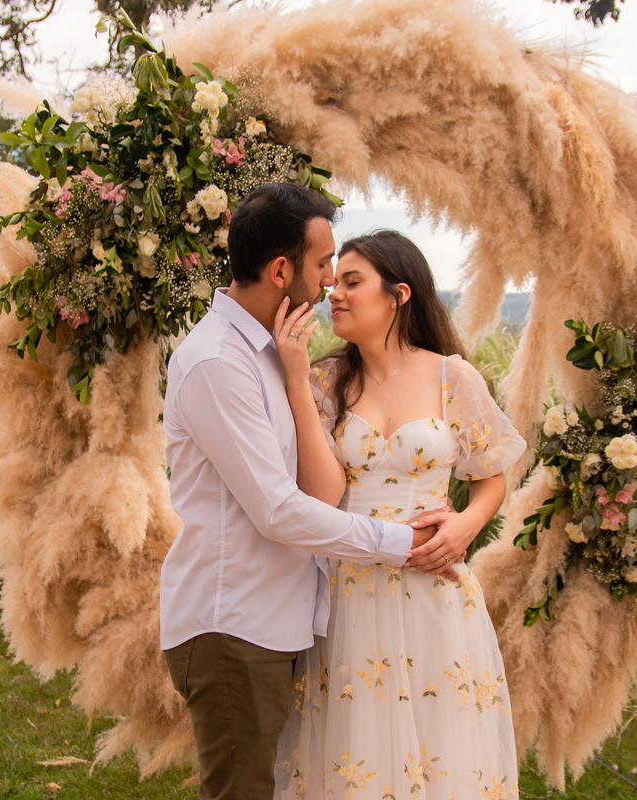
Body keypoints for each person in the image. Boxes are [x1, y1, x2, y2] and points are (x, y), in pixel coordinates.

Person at [160, 184, 455, 800]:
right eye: (323, 266)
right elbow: (277, 510)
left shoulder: (274, 354)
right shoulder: (219, 363)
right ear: (280, 270)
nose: (328, 283)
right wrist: (402, 541)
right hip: (234, 627)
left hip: (279, 624)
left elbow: (317, 490)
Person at [272, 230, 527, 799]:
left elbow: (491, 474)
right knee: (352, 747)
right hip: (350, 588)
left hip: (434, 588)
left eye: (352, 282)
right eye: (334, 282)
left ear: (398, 294)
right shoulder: (323, 381)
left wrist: (466, 524)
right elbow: (321, 490)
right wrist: (294, 380)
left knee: (442, 745)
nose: (334, 293)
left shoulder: (451, 376)